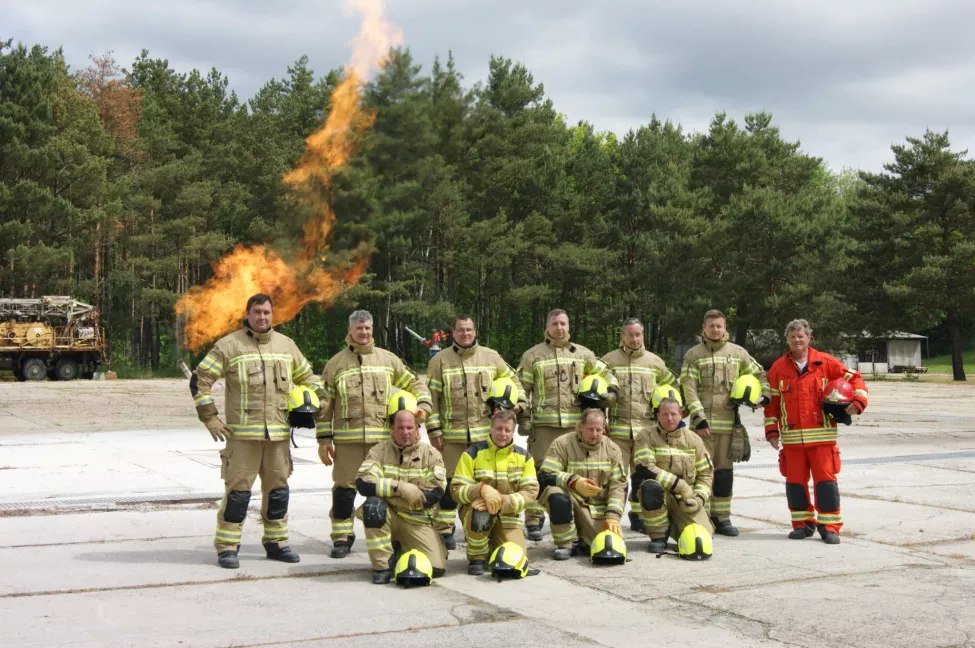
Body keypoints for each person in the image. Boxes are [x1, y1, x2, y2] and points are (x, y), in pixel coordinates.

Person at [190, 293, 324, 569]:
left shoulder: (287, 346)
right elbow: (200, 379)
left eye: (266, 312)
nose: (262, 317)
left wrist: (320, 402)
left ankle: (277, 543)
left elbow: (308, 378)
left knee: (278, 493)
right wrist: (210, 418)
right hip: (242, 439)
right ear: (247, 314)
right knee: (238, 495)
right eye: (257, 312)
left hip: (278, 438)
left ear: (272, 315)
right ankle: (228, 547)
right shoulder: (229, 345)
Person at [318, 310, 432, 559]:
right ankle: (341, 537)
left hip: (382, 443)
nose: (364, 332)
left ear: (372, 329)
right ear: (350, 330)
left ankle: (393, 535)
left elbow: (416, 383)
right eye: (359, 328)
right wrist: (324, 440)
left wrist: (423, 407)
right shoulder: (336, 364)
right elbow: (325, 405)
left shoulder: (389, 360)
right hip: (348, 442)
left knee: (387, 490)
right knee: (344, 491)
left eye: (368, 328)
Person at [426, 314, 527, 550]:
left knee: (486, 482)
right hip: (451, 435)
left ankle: (486, 526)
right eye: (461, 330)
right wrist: (434, 429)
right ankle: (444, 529)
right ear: (453, 333)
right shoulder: (439, 360)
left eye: (469, 329)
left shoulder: (491, 357)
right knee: (450, 483)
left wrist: (518, 405)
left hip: (484, 436)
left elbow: (514, 381)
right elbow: (431, 398)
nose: (465, 334)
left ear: (475, 331)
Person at [764, 319, 869, 544]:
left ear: (809, 337)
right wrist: (772, 431)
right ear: (787, 340)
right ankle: (802, 524)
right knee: (795, 484)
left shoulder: (826, 362)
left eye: (800, 336)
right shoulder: (778, 368)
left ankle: (830, 527)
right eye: (792, 337)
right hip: (792, 442)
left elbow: (855, 378)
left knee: (825, 484)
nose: (797, 340)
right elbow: (772, 405)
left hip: (822, 440)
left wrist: (858, 402)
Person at [518, 309, 619, 540]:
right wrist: (524, 419)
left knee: (574, 472)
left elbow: (606, 373)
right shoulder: (533, 355)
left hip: (576, 425)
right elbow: (522, 389)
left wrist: (612, 393)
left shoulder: (583, 354)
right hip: (544, 427)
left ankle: (575, 516)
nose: (559, 328)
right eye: (555, 324)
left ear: (569, 326)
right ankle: (534, 520)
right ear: (547, 326)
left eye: (563, 323)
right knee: (538, 472)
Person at [680, 309, 769, 537]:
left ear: (725, 327)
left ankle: (722, 518)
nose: (715, 330)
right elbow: (689, 388)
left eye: (719, 325)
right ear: (704, 328)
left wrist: (764, 397)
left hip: (728, 426)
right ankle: (702, 515)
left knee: (724, 473)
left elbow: (760, 374)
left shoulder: (738, 353)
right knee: (700, 472)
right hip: (701, 428)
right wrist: (698, 418)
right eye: (711, 326)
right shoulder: (693, 355)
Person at [601, 317, 678, 532]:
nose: (634, 339)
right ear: (623, 336)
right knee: (616, 477)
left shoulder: (655, 362)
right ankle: (611, 516)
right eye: (630, 335)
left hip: (646, 433)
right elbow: (595, 391)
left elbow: (672, 388)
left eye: (638, 334)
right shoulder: (609, 361)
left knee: (642, 476)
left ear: (643, 335)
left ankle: (639, 517)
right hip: (617, 431)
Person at [355, 408, 447, 584]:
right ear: (393, 429)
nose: (406, 432)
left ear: (417, 428)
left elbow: (434, 494)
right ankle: (382, 566)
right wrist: (401, 488)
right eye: (401, 428)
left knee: (435, 569)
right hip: (389, 517)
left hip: (417, 521)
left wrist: (386, 492)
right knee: (374, 506)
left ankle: (400, 549)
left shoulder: (431, 455)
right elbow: (363, 483)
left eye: (410, 427)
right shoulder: (378, 451)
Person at [451, 409, 539, 575]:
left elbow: (530, 492)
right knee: (480, 511)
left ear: (513, 432)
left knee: (514, 559)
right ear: (491, 428)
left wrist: (502, 501)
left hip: (508, 516)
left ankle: (492, 545)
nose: (502, 434)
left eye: (507, 430)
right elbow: (456, 489)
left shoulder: (524, 457)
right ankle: (477, 558)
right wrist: (480, 489)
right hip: (477, 512)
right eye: (498, 428)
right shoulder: (472, 454)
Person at [537, 408, 627, 559]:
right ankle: (566, 544)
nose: (594, 434)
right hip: (573, 501)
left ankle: (584, 540)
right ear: (580, 427)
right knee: (555, 494)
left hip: (597, 510)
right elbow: (546, 475)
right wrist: (574, 482)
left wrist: (613, 516)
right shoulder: (562, 443)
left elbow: (619, 486)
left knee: (605, 548)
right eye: (590, 429)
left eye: (598, 430)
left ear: (604, 429)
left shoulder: (612, 449)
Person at [632, 397, 714, 552]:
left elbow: (706, 474)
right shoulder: (645, 436)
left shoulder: (694, 439)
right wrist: (681, 486)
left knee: (702, 539)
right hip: (662, 494)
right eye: (665, 414)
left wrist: (698, 499)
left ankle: (675, 526)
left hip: (686, 499)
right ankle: (659, 536)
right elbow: (646, 468)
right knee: (650, 487)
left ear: (681, 415)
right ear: (658, 415)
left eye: (673, 414)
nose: (669, 418)